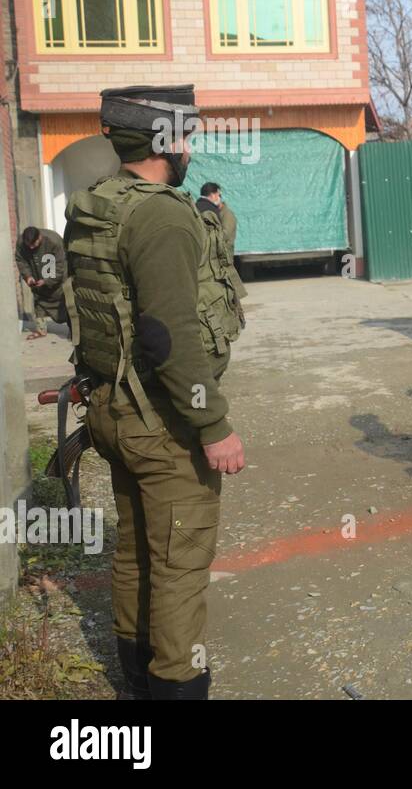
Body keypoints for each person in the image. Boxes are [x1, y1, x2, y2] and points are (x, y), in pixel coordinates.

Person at [63, 85, 247, 700]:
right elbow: (169, 339)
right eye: (187, 135)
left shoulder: (96, 203)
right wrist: (214, 426)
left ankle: (137, 676)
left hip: (111, 408)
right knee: (180, 563)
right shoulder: (162, 214)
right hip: (159, 418)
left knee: (138, 546)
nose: (192, 147)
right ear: (165, 141)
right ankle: (176, 684)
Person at [14, 226, 67, 339]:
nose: (31, 247)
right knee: (39, 302)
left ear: (40, 237)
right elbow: (21, 261)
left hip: (58, 282)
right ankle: (41, 329)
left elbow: (60, 265)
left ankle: (73, 330)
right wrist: (28, 277)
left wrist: (48, 281)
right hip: (37, 277)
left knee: (65, 306)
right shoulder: (22, 243)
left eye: (34, 244)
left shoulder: (54, 241)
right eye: (29, 246)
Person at [197, 182, 237, 255]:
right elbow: (221, 236)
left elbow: (226, 235)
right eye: (219, 195)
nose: (219, 198)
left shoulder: (227, 214)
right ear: (213, 195)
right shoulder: (213, 210)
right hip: (215, 256)